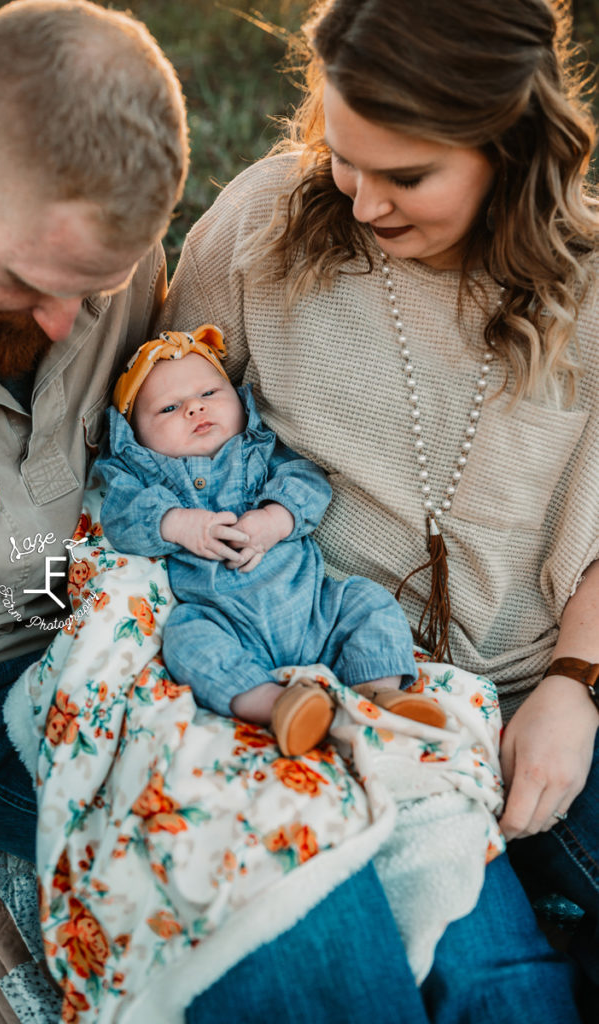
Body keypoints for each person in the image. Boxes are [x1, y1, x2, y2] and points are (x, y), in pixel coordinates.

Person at [155, 0, 599, 1015]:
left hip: (547, 690)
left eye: (404, 177)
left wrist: (573, 685)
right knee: (501, 995)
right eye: (343, 157)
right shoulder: (264, 228)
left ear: (510, 150)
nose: (360, 203)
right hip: (355, 705)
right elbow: (165, 430)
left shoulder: (587, 283)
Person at [0, 0, 188, 863]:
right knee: (189, 838)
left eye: (95, 289)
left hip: (98, 617)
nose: (67, 325)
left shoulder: (103, 256)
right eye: (33, 282)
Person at [95, 323, 446, 756]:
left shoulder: (258, 448)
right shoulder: (144, 476)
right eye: (168, 408)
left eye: (208, 394)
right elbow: (121, 517)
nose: (193, 409)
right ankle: (280, 705)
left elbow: (308, 482)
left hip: (317, 611)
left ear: (239, 402)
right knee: (185, 639)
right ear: (135, 439)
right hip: (226, 623)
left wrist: (274, 520)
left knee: (369, 601)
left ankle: (379, 693)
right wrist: (179, 523)